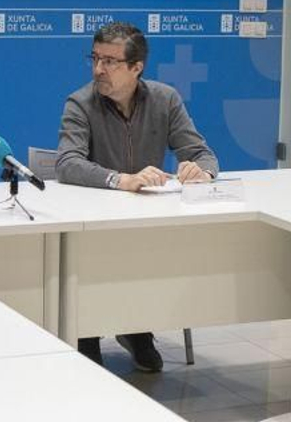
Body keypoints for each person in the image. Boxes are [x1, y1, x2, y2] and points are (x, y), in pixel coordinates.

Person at [56, 21, 220, 371]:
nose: (99, 69)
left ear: (136, 67)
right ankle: (87, 333)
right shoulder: (80, 103)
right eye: (95, 58)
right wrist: (120, 179)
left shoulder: (165, 99)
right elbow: (67, 163)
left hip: (146, 224)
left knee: (150, 256)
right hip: (95, 225)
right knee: (95, 257)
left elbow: (203, 154)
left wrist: (200, 172)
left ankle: (136, 327)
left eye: (110, 62)